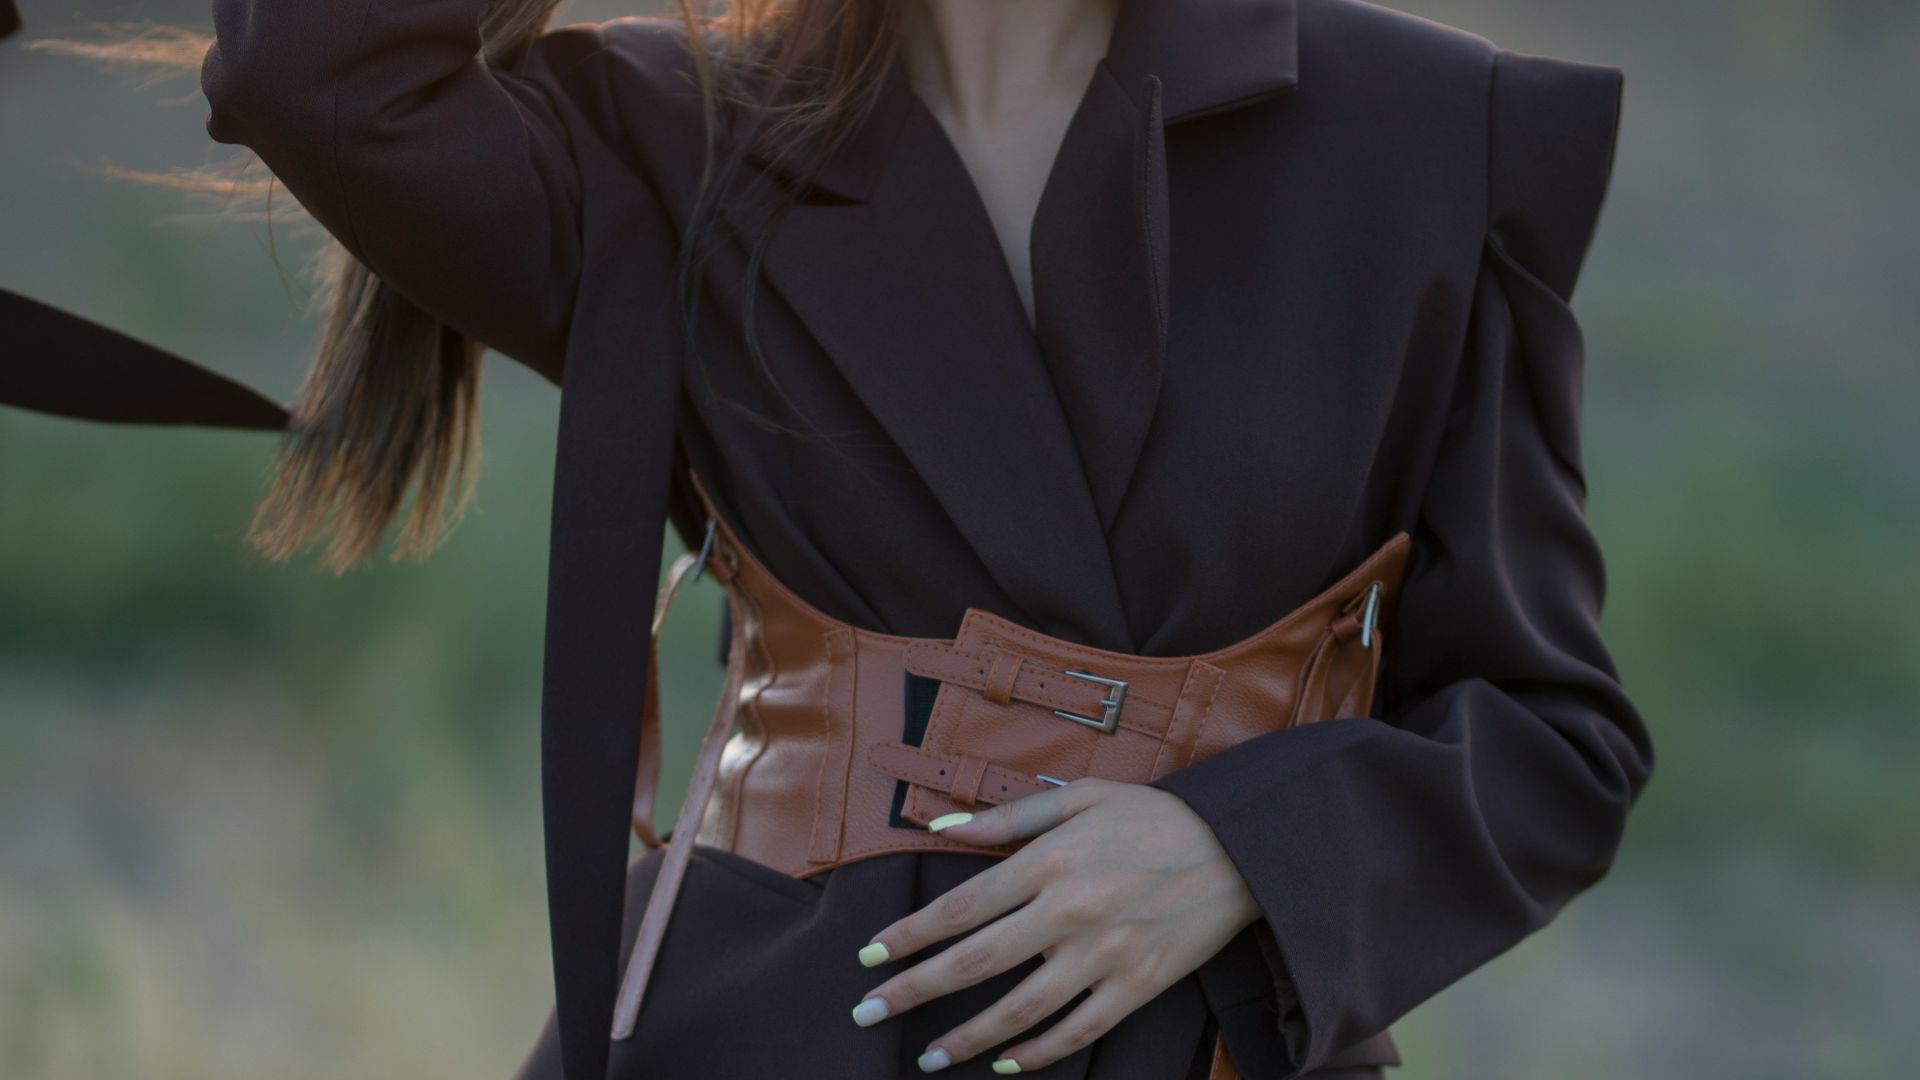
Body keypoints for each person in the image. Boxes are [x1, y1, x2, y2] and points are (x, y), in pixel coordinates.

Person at [3, 0, 1653, 1077]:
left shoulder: (1423, 138)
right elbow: (315, 68)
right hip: (776, 1020)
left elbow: (1550, 733)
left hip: (1211, 1033)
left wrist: (1234, 852)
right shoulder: (675, 134)